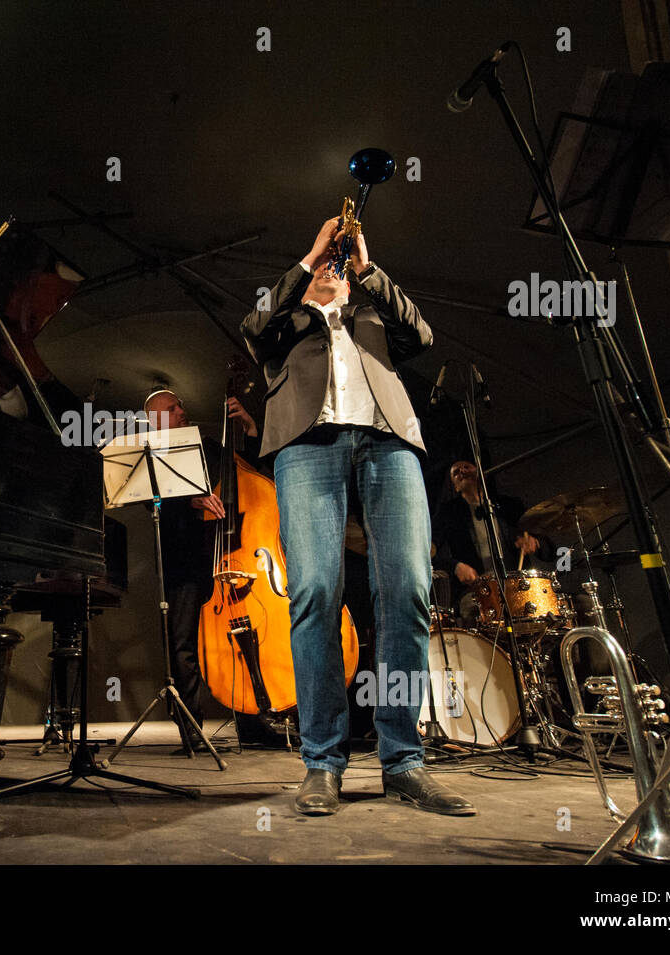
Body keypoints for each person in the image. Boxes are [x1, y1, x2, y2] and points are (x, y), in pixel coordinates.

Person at [240, 217, 475, 816]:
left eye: (337, 268)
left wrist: (367, 267)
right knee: (315, 589)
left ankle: (404, 760)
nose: (332, 271)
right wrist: (308, 258)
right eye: (327, 267)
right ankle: (322, 761)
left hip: (388, 443)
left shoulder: (373, 318)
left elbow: (422, 333)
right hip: (307, 443)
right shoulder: (286, 324)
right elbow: (251, 324)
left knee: (409, 588)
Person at [142, 388, 258, 750]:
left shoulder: (206, 446)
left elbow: (246, 472)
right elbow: (151, 503)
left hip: (227, 557)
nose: (182, 410)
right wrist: (189, 500)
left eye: (181, 405)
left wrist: (250, 430)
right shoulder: (150, 456)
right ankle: (191, 729)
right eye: (172, 408)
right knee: (184, 646)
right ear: (155, 420)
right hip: (184, 562)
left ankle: (255, 723)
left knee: (242, 642)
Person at [432, 460, 555, 628]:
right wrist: (455, 566)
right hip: (477, 591)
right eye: (456, 472)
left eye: (466, 467)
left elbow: (551, 550)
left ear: (481, 474)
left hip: (519, 586)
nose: (462, 472)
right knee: (471, 610)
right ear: (455, 487)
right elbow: (429, 552)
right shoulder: (449, 513)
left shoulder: (509, 506)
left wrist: (535, 543)